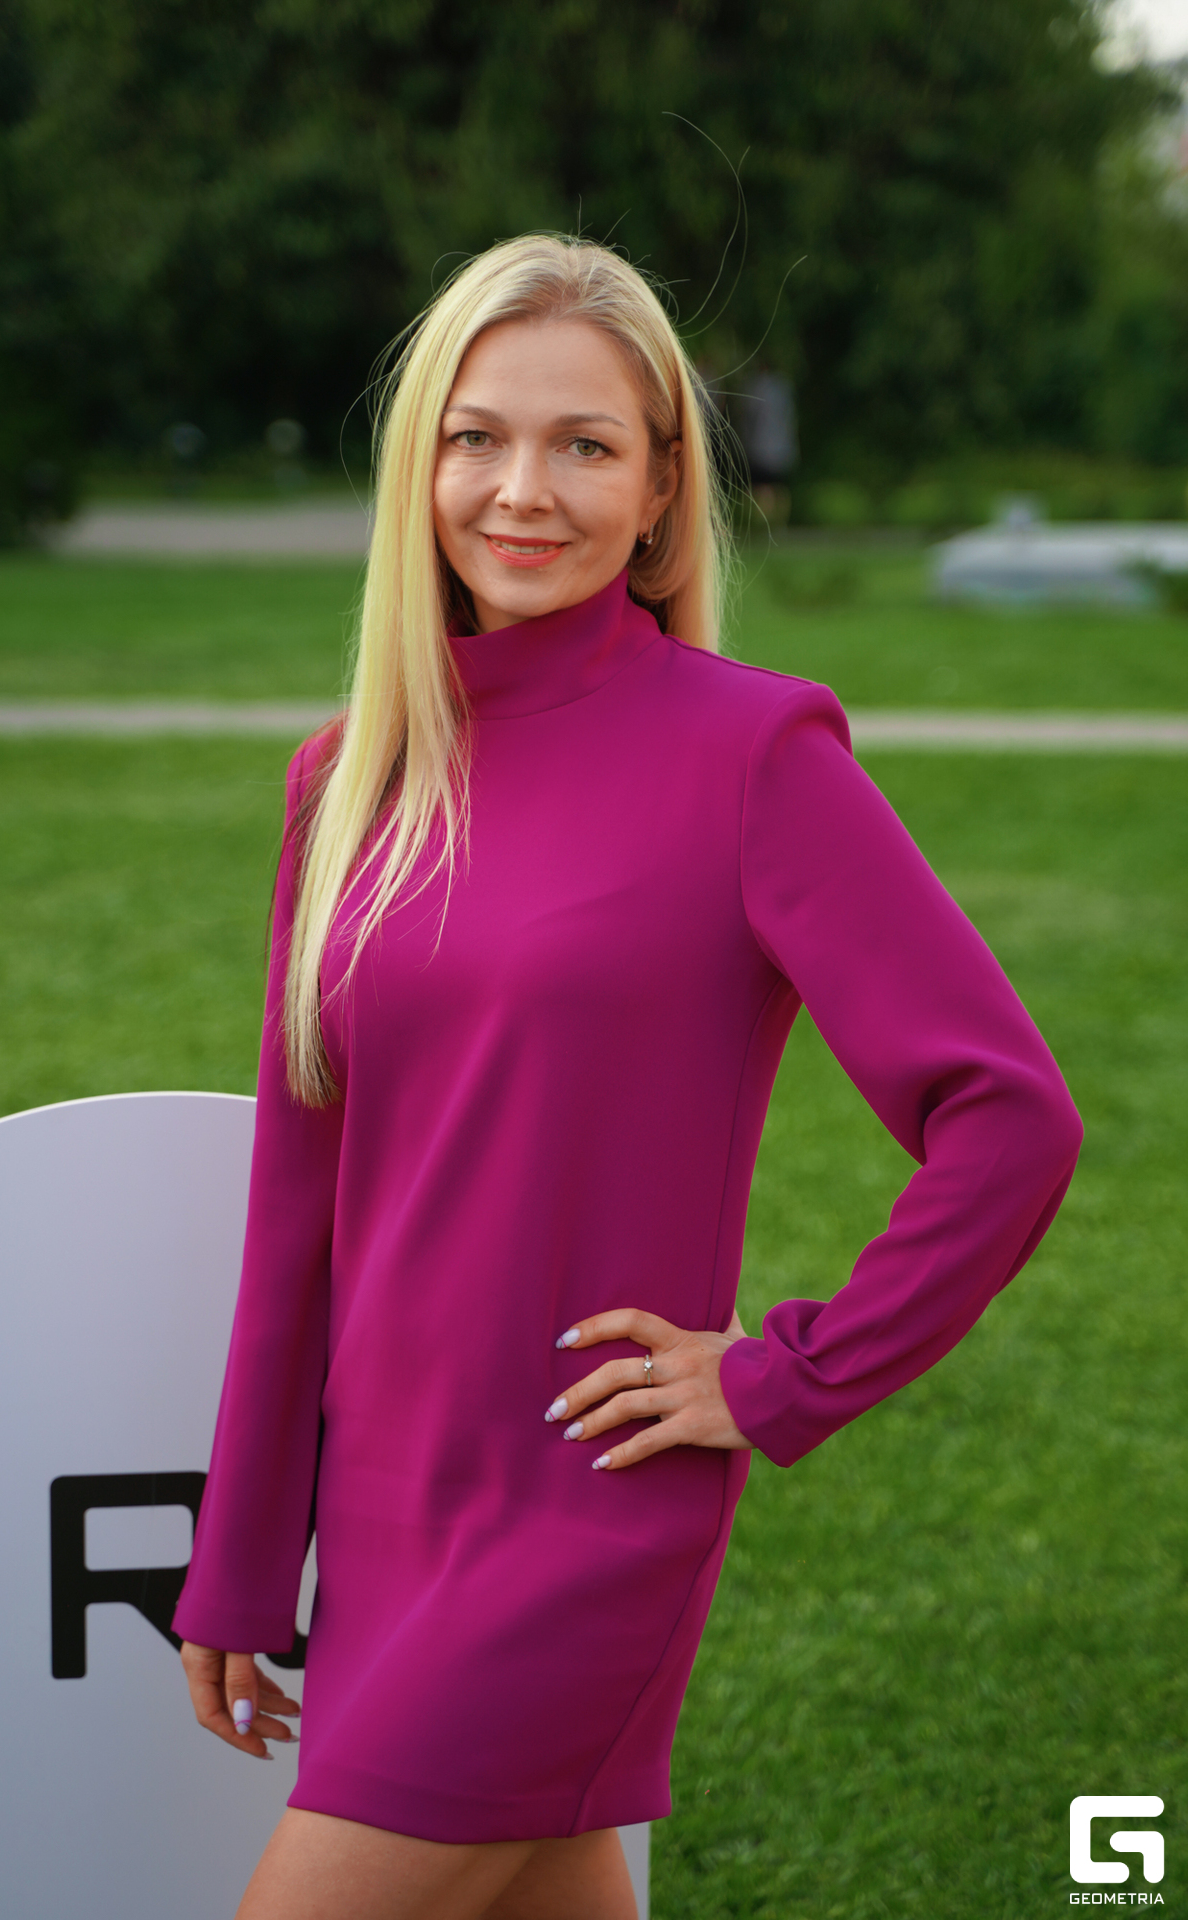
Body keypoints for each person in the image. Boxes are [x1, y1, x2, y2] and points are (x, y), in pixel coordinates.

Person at [172, 234, 1082, 1920]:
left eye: (584, 445)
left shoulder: (754, 755)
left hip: (581, 1510)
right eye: (478, 437)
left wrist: (786, 1377)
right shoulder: (345, 781)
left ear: (661, 492)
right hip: (385, 1513)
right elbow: (299, 1211)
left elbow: (1009, 1119)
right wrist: (237, 1559)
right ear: (420, 463)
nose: (523, 491)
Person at [736, 364, 798, 525]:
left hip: (761, 446)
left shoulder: (756, 388)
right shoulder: (781, 387)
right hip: (778, 446)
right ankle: (776, 522)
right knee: (775, 487)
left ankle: (765, 521)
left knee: (762, 487)